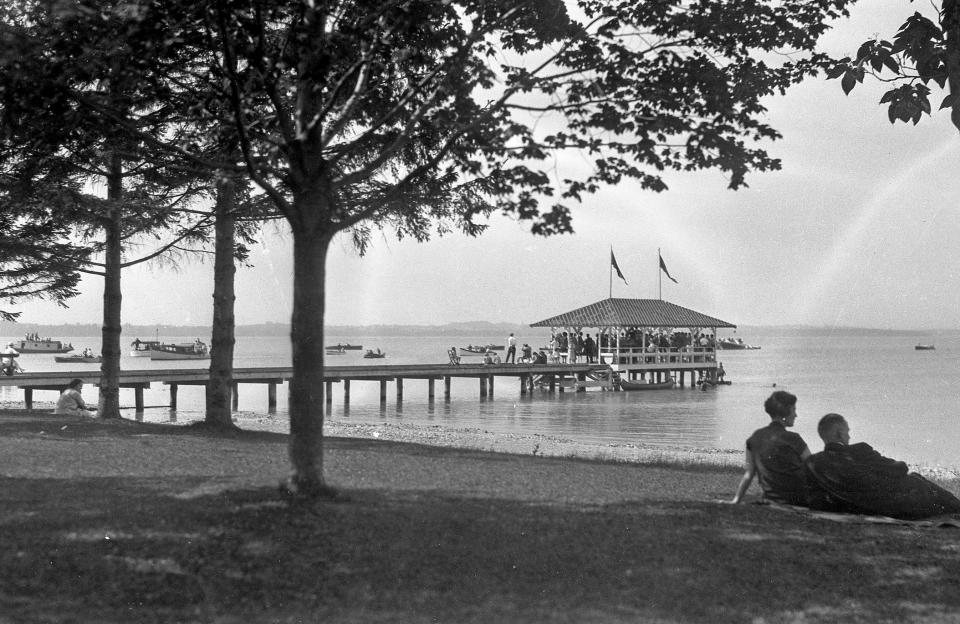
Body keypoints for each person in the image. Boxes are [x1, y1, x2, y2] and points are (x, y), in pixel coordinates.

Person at [805, 414, 960, 519]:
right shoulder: (860, 450)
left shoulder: (813, 462)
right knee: (916, 479)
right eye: (847, 432)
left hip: (852, 506)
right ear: (839, 433)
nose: (849, 436)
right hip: (891, 506)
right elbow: (899, 469)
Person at [730, 390, 814, 505]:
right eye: (794, 410)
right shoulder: (793, 438)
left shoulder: (755, 437)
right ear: (786, 412)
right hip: (798, 499)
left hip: (771, 498)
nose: (796, 415)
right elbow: (813, 467)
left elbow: (749, 474)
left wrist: (736, 500)